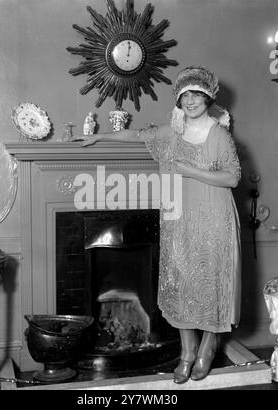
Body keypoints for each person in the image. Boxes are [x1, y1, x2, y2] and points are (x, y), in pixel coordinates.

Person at [75, 66, 241, 384]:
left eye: (197, 95)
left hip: (213, 219)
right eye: (185, 96)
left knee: (210, 285)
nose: (191, 101)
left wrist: (190, 171)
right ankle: (187, 353)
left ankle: (208, 347)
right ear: (179, 100)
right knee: (180, 287)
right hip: (179, 219)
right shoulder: (172, 132)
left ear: (207, 97)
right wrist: (98, 136)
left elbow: (232, 177)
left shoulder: (219, 134)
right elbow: (137, 135)